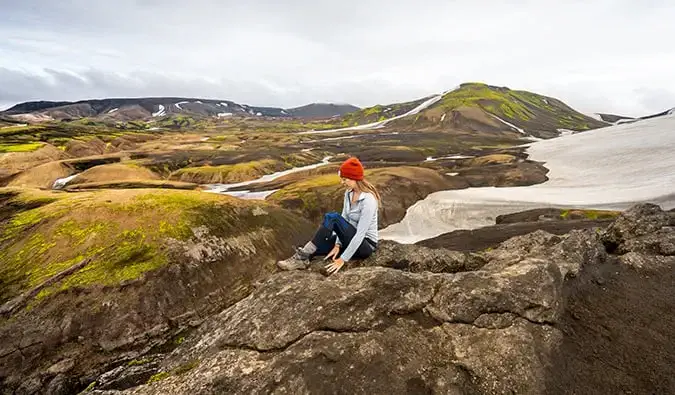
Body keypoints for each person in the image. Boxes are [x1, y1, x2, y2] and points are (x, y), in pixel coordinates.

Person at [277, 156, 380, 275]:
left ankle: (302, 257)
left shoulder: (368, 200)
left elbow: (360, 234)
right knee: (316, 249)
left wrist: (342, 259)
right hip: (349, 239)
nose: (342, 183)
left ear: (354, 178)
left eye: (344, 179)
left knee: (332, 217)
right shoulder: (348, 193)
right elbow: (345, 219)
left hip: (365, 245)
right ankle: (302, 259)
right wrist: (337, 245)